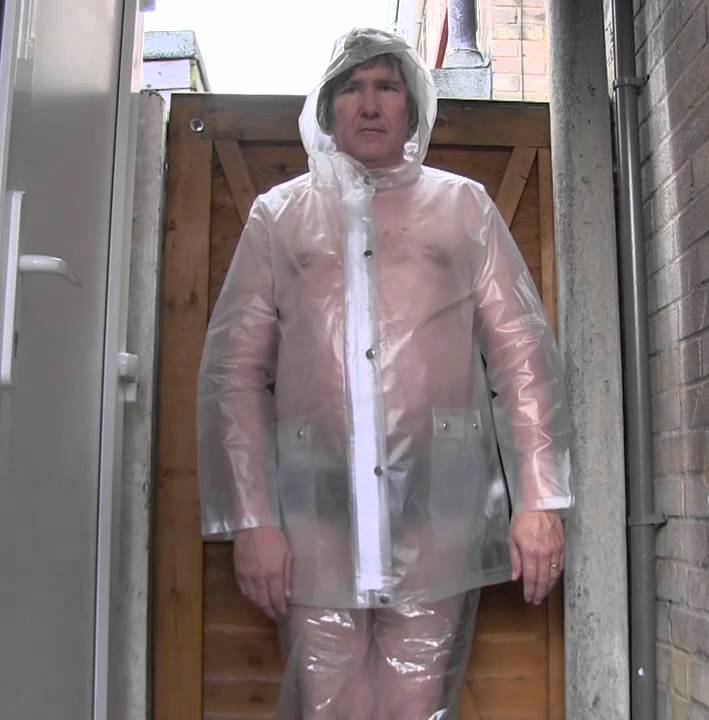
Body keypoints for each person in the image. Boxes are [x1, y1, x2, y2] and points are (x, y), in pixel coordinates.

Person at [197, 27, 573, 719]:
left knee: (417, 702)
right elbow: (235, 372)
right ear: (327, 107)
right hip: (315, 511)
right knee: (327, 704)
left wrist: (538, 499)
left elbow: (521, 355)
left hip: (436, 506)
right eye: (352, 88)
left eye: (387, 86)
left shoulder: (463, 207)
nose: (370, 104)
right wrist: (252, 519)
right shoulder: (278, 217)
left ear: (412, 105)